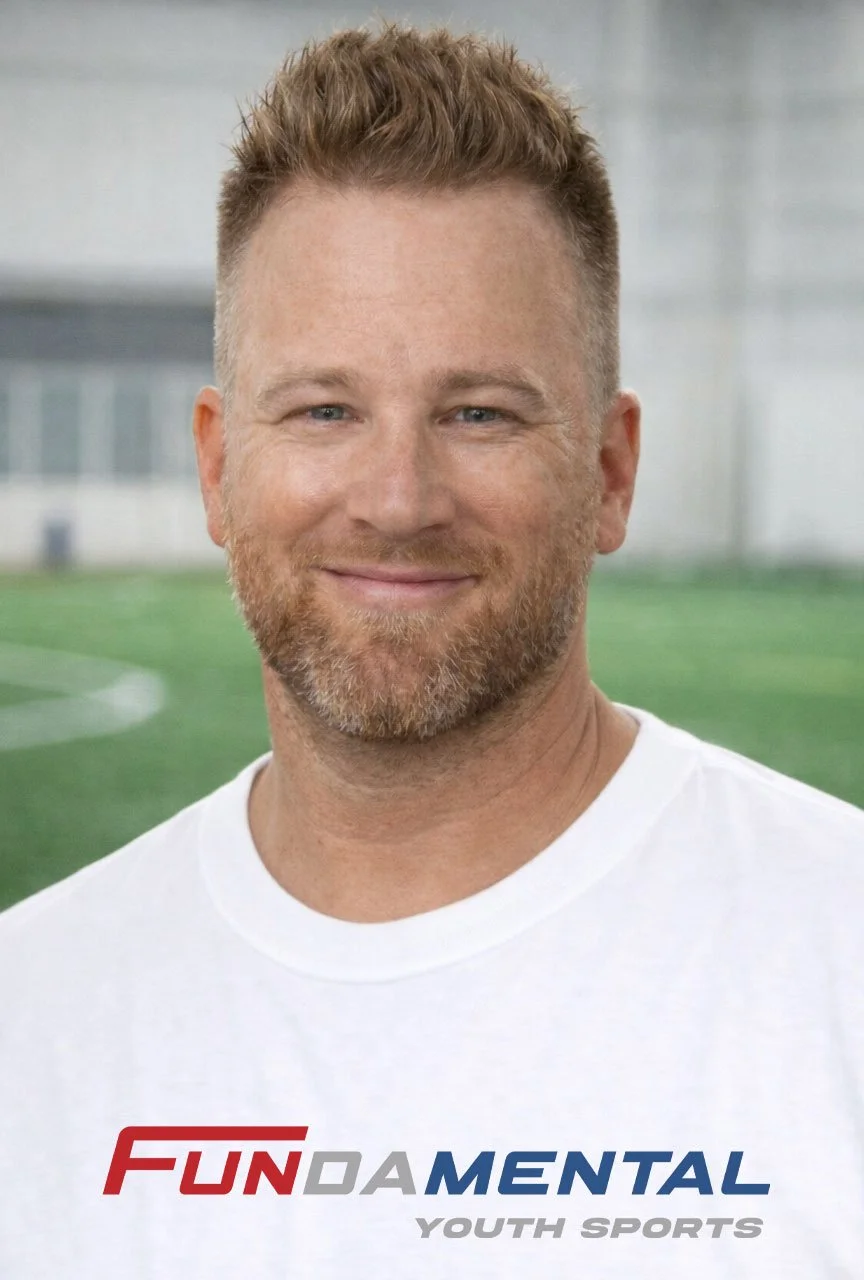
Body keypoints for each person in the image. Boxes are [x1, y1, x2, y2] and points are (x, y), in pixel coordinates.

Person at [1, 21, 862, 1280]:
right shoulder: (33, 1012)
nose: (397, 497)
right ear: (218, 464)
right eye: (326, 409)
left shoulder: (841, 956)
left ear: (612, 471)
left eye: (479, 412)